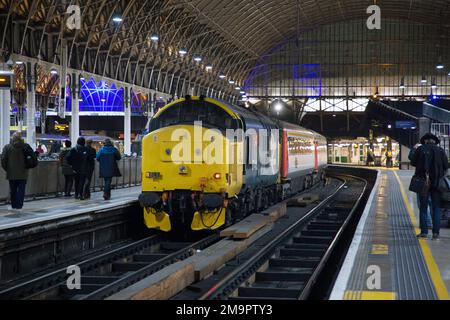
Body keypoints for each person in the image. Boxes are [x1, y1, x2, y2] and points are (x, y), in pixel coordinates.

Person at [410, 133, 449, 240]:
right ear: (434, 141)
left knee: (423, 207)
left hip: (423, 182)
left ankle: (424, 232)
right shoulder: (440, 151)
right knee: (436, 207)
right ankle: (436, 233)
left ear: (425, 141)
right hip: (437, 183)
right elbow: (446, 166)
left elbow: (413, 162)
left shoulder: (420, 149)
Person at [1, 132, 33, 210]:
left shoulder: (7, 147)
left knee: (13, 190)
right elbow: (32, 157)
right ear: (21, 138)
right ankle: (19, 205)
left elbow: (3, 160)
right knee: (21, 190)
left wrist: (7, 169)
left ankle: (14, 205)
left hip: (11, 173)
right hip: (23, 172)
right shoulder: (25, 146)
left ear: (12, 138)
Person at [409, 145, 433, 228]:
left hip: (422, 181)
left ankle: (427, 224)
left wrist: (414, 149)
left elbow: (412, 160)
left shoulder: (420, 150)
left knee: (422, 204)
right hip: (434, 180)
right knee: (431, 202)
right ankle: (433, 223)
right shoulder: (438, 150)